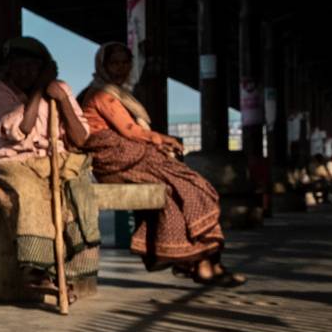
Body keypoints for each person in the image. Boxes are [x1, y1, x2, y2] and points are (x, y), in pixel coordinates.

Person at [78, 42, 244, 285]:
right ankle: (203, 264)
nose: (121, 68)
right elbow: (129, 130)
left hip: (131, 157)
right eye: (114, 63)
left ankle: (206, 263)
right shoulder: (102, 94)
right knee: (190, 185)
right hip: (118, 161)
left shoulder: (117, 93)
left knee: (186, 189)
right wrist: (162, 139)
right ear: (102, 65)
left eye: (125, 62)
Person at [0, 36, 100, 305]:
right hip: (14, 161)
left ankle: (64, 276)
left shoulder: (60, 89)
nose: (25, 72)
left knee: (72, 200)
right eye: (19, 66)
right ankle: (36, 270)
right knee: (31, 194)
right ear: (8, 69)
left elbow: (82, 138)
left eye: (33, 67)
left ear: (43, 68)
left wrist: (59, 97)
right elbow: (20, 130)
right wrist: (38, 89)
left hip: (56, 160)